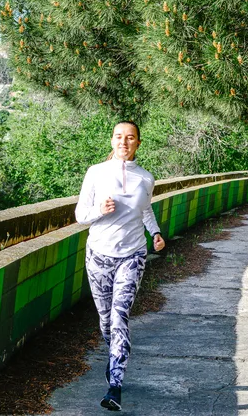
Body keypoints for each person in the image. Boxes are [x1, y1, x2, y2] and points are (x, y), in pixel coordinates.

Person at [75, 121, 165, 411]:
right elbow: (80, 215)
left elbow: (146, 209)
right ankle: (114, 357)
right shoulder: (96, 173)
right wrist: (99, 211)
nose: (124, 142)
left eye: (130, 138)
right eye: (118, 137)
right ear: (111, 140)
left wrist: (156, 233)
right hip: (99, 255)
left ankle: (115, 385)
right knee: (105, 321)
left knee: (119, 317)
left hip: (132, 255)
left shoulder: (145, 178)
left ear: (138, 142)